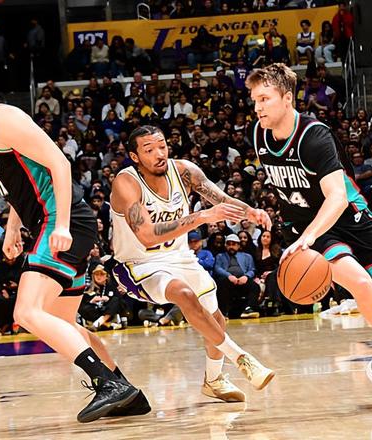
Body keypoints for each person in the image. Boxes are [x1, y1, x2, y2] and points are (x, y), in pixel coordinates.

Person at [246, 63, 372, 406]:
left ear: (287, 98)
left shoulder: (314, 137)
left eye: (264, 98)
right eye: (254, 100)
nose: (258, 107)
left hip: (348, 216)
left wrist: (309, 235)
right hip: (310, 229)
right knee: (361, 284)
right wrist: (305, 235)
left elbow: (337, 197)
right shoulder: (258, 135)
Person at [0, 55, 143, 422]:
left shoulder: (2, 118)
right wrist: (13, 228)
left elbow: (59, 162)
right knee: (64, 324)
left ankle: (108, 384)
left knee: (26, 311)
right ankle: (128, 394)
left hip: (62, 219)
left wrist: (61, 226)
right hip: (51, 221)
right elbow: (14, 186)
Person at [110, 125, 274, 405]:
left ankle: (214, 380)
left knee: (216, 319)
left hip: (180, 257)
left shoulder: (184, 170)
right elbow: (147, 236)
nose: (159, 154)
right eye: (149, 150)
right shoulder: (126, 183)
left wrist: (250, 211)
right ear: (135, 157)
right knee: (184, 294)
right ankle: (242, 358)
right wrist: (201, 218)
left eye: (162, 146)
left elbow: (220, 199)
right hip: (138, 263)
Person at [213, 234, 262, 319]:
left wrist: (246, 276)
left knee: (255, 286)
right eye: (229, 244)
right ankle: (224, 312)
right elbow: (217, 268)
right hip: (227, 280)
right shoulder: (220, 256)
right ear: (225, 245)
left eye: (234, 244)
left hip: (243, 279)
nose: (231, 247)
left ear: (238, 245)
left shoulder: (247, 256)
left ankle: (249, 309)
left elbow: (252, 269)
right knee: (221, 284)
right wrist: (228, 276)